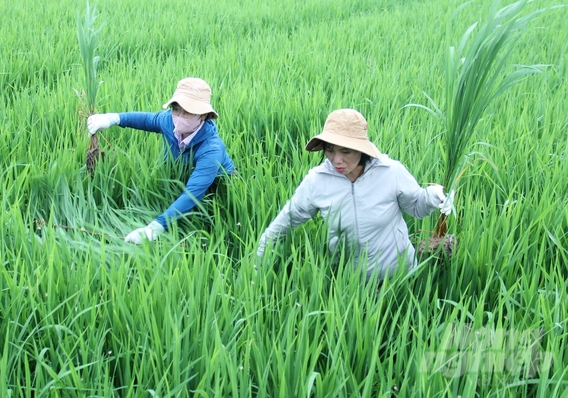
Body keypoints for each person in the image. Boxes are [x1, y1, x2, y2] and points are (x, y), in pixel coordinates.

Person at [256, 109, 454, 281]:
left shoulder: (390, 172)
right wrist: (256, 262)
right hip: (349, 283)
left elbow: (416, 207)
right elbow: (284, 223)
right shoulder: (317, 181)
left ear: (361, 149)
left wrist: (432, 196)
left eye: (346, 151)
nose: (336, 160)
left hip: (399, 277)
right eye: (330, 150)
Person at [87, 77, 235, 244]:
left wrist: (156, 227)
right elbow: (145, 120)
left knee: (213, 214)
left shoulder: (211, 149)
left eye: (188, 112)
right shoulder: (168, 121)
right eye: (176, 109)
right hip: (181, 176)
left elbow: (193, 194)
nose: (179, 116)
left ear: (204, 116)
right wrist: (112, 118)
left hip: (219, 187)